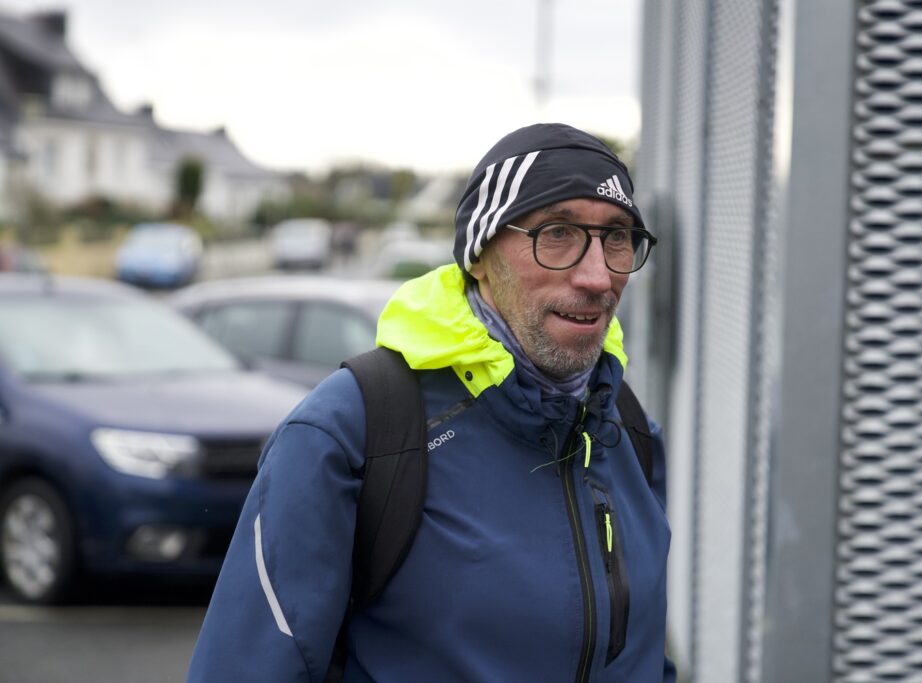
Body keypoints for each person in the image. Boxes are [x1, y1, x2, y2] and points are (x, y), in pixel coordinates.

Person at [187, 123, 675, 682]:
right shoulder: (352, 432)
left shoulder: (629, 431)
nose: (598, 276)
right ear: (480, 255)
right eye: (557, 233)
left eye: (617, 237)